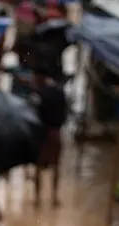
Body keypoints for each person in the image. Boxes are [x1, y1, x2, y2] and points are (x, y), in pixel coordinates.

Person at [33, 73, 68, 207]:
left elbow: (37, 115)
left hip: (43, 133)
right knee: (56, 166)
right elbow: (65, 113)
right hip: (56, 133)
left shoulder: (40, 95)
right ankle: (54, 197)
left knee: (38, 167)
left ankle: (37, 199)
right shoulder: (60, 92)